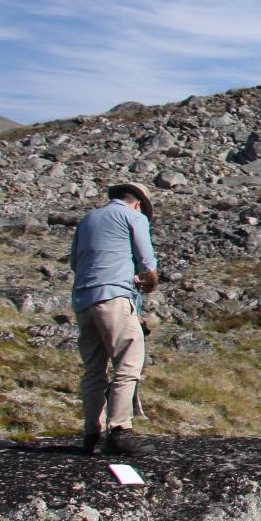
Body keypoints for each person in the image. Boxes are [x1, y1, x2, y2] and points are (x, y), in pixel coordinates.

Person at [70, 182, 159, 456]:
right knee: (128, 362)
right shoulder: (134, 217)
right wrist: (149, 282)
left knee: (94, 370)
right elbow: (146, 261)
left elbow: (74, 262)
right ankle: (119, 430)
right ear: (138, 203)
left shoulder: (87, 220)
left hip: (84, 300)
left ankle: (90, 433)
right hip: (115, 298)